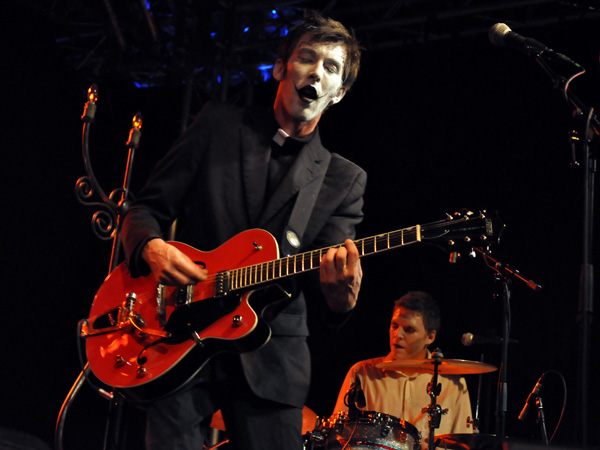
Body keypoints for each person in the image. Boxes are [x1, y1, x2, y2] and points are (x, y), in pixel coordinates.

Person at [120, 10, 365, 450]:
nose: (316, 72)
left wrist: (341, 298)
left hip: (271, 362)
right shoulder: (218, 125)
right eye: (307, 58)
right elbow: (145, 209)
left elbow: (328, 293)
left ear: (339, 93)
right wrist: (153, 248)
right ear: (280, 68)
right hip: (179, 337)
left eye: (331, 67)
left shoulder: (343, 180)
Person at [332, 291, 473, 442]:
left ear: (430, 337)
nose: (397, 334)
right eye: (395, 325)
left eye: (409, 329)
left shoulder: (453, 385)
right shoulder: (362, 373)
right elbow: (338, 436)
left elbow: (463, 444)